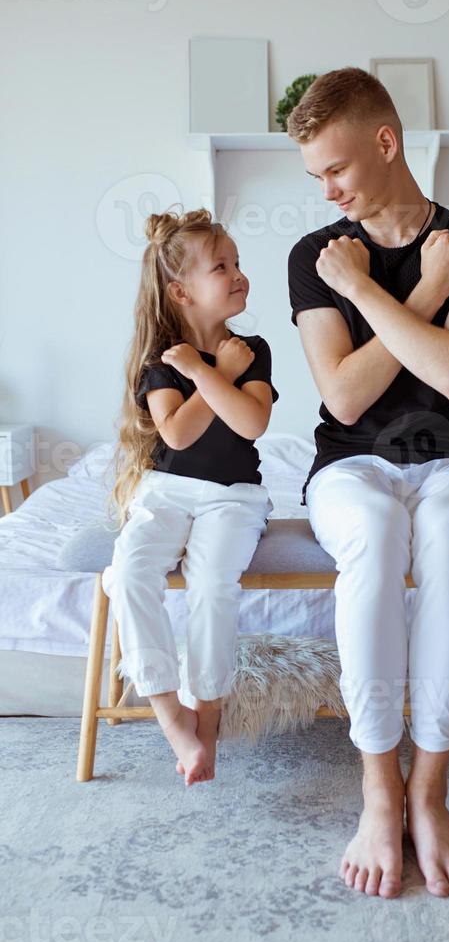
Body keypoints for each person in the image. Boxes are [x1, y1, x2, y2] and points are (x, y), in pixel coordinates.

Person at [287, 68, 449, 898]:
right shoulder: (319, 258)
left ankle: (430, 792)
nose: (326, 190)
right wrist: (414, 290)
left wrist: (371, 295)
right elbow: (341, 394)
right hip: (348, 464)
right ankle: (379, 791)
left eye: (334, 169)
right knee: (376, 542)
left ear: (385, 143)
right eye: (313, 177)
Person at [104, 206, 278, 787]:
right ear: (181, 291)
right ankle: (169, 713)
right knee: (129, 571)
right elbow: (175, 433)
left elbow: (251, 423)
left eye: (237, 263)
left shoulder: (250, 350)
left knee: (210, 584)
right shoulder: (163, 362)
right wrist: (205, 372)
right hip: (168, 489)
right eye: (220, 266)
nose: (237, 274)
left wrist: (214, 373)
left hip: (233, 497)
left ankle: (208, 720)